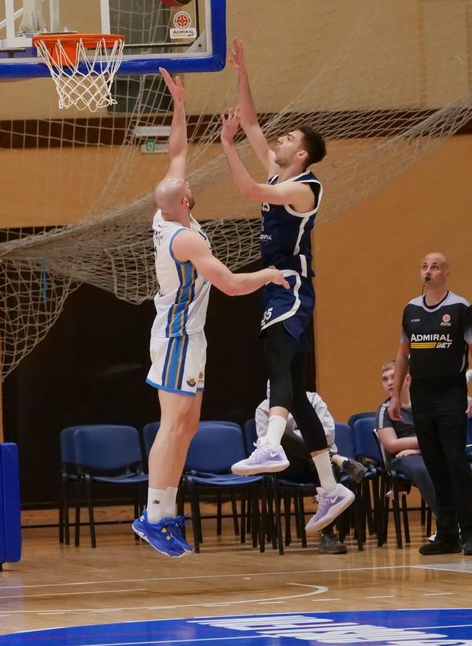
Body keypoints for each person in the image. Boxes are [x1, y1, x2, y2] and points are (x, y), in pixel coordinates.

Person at [133, 68, 290, 558]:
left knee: (188, 424)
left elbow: (177, 152)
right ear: (185, 201)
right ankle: (152, 516)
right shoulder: (186, 239)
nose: (187, 180)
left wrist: (180, 104)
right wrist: (269, 275)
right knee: (172, 423)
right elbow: (231, 285)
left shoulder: (166, 211)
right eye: (187, 186)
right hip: (177, 336)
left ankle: (164, 511)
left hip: (189, 336)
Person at [220, 39, 354, 535]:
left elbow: (247, 190)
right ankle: (330, 487)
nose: (278, 140)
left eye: (288, 138)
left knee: (277, 360)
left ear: (300, 154)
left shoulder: (303, 188)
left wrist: (226, 146)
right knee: (295, 392)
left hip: (290, 286)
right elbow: (253, 124)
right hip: (277, 287)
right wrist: (242, 72)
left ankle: (271, 444)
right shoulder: (282, 174)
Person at [389, 252, 472, 556]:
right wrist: (396, 395)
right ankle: (447, 534)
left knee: (455, 461)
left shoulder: (461, 307)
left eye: (434, 266)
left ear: (447, 273)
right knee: (434, 464)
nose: (428, 271)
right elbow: (403, 354)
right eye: (424, 266)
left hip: (450, 392)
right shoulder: (410, 309)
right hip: (421, 393)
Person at [252, 387, 370, 554]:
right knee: (279, 432)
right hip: (287, 466)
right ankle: (337, 459)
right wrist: (308, 437)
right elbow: (269, 447)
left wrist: (296, 439)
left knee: (323, 464)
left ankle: (328, 536)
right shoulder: (264, 408)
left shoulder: (313, 400)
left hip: (316, 464)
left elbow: (328, 435)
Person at [375, 364, 440, 532]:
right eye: (385, 379)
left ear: (408, 379)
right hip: (401, 458)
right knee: (422, 469)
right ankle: (449, 523)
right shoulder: (384, 410)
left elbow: (440, 437)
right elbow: (392, 445)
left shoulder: (424, 404)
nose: (390, 382)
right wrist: (426, 442)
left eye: (394, 377)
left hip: (425, 452)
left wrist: (420, 448)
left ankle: (466, 523)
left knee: (461, 465)